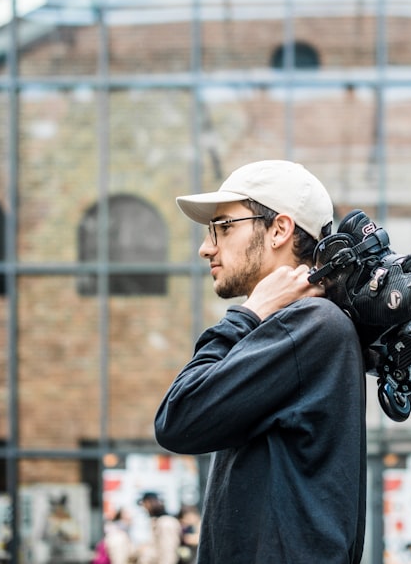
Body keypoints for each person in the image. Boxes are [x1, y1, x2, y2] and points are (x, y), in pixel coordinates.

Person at [154, 160, 367, 563]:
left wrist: (248, 313)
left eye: (225, 227)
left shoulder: (309, 325)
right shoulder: (298, 328)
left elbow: (178, 418)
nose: (206, 247)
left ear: (279, 230)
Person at [135, 492, 184, 564]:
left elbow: (169, 554)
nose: (145, 507)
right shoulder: (157, 521)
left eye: (145, 504)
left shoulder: (166, 522)